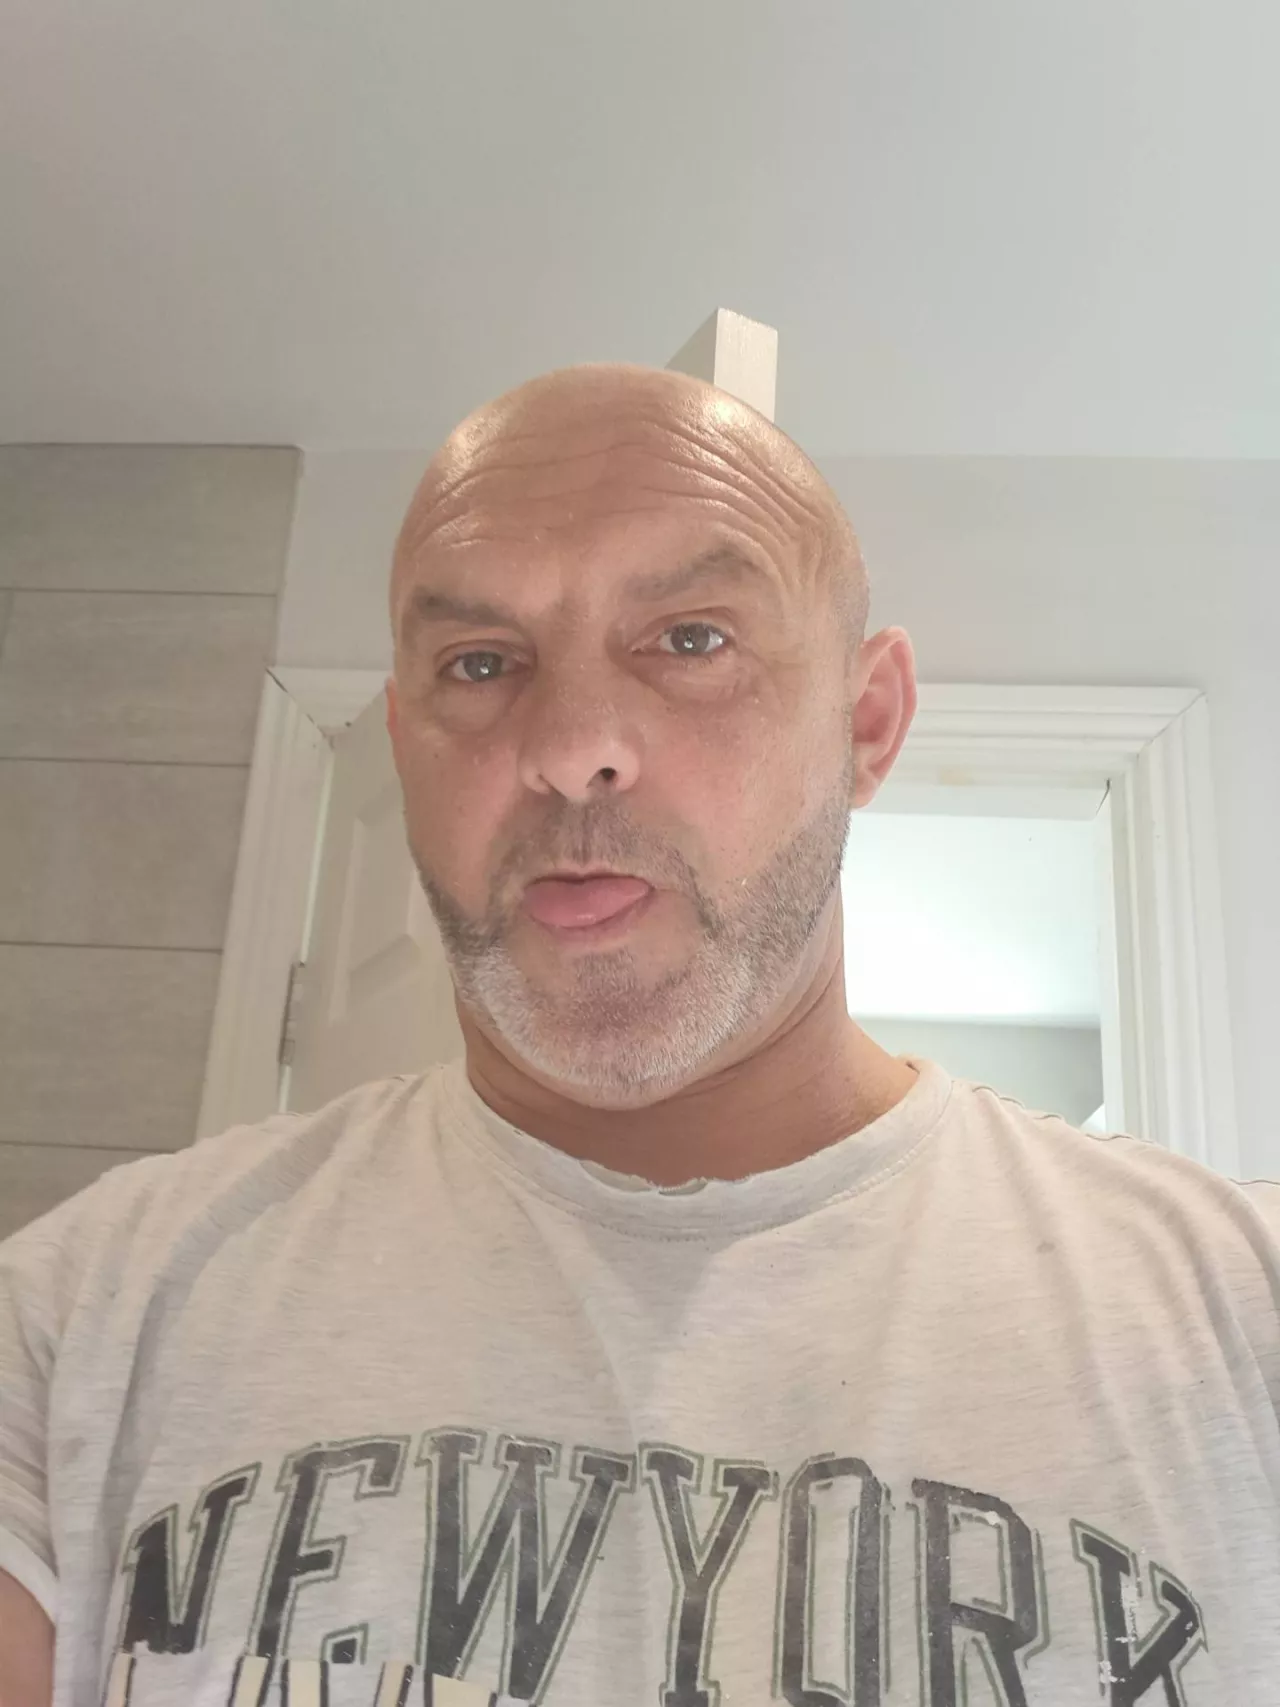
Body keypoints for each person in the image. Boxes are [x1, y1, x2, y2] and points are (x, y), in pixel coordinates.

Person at [1, 365, 1277, 1707]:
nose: (572, 747)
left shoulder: (1237, 1322)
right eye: (479, 663)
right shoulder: (82, 1320)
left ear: (866, 722)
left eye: (690, 639)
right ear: (404, 741)